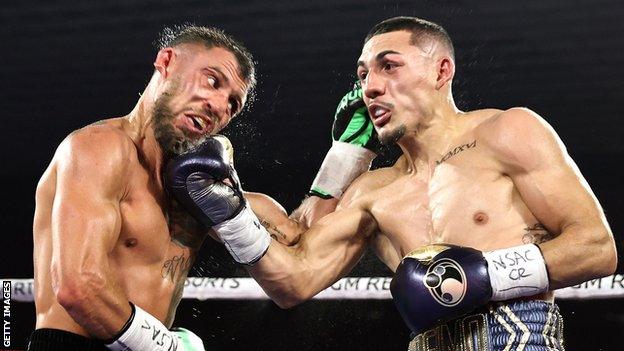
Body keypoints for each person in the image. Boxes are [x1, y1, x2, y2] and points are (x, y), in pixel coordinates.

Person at [166, 17, 618, 350]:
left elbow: (597, 248)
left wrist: (483, 278)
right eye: (363, 75)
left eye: (389, 67)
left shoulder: (507, 132)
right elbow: (293, 281)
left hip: (521, 337)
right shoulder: (371, 191)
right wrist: (231, 217)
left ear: (441, 72)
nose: (371, 87)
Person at [30, 24, 261, 350]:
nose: (220, 105)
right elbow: (77, 288)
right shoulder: (99, 149)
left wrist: (342, 161)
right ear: (166, 62)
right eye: (212, 80)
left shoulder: (196, 188)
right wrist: (167, 347)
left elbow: (293, 253)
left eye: (233, 104)